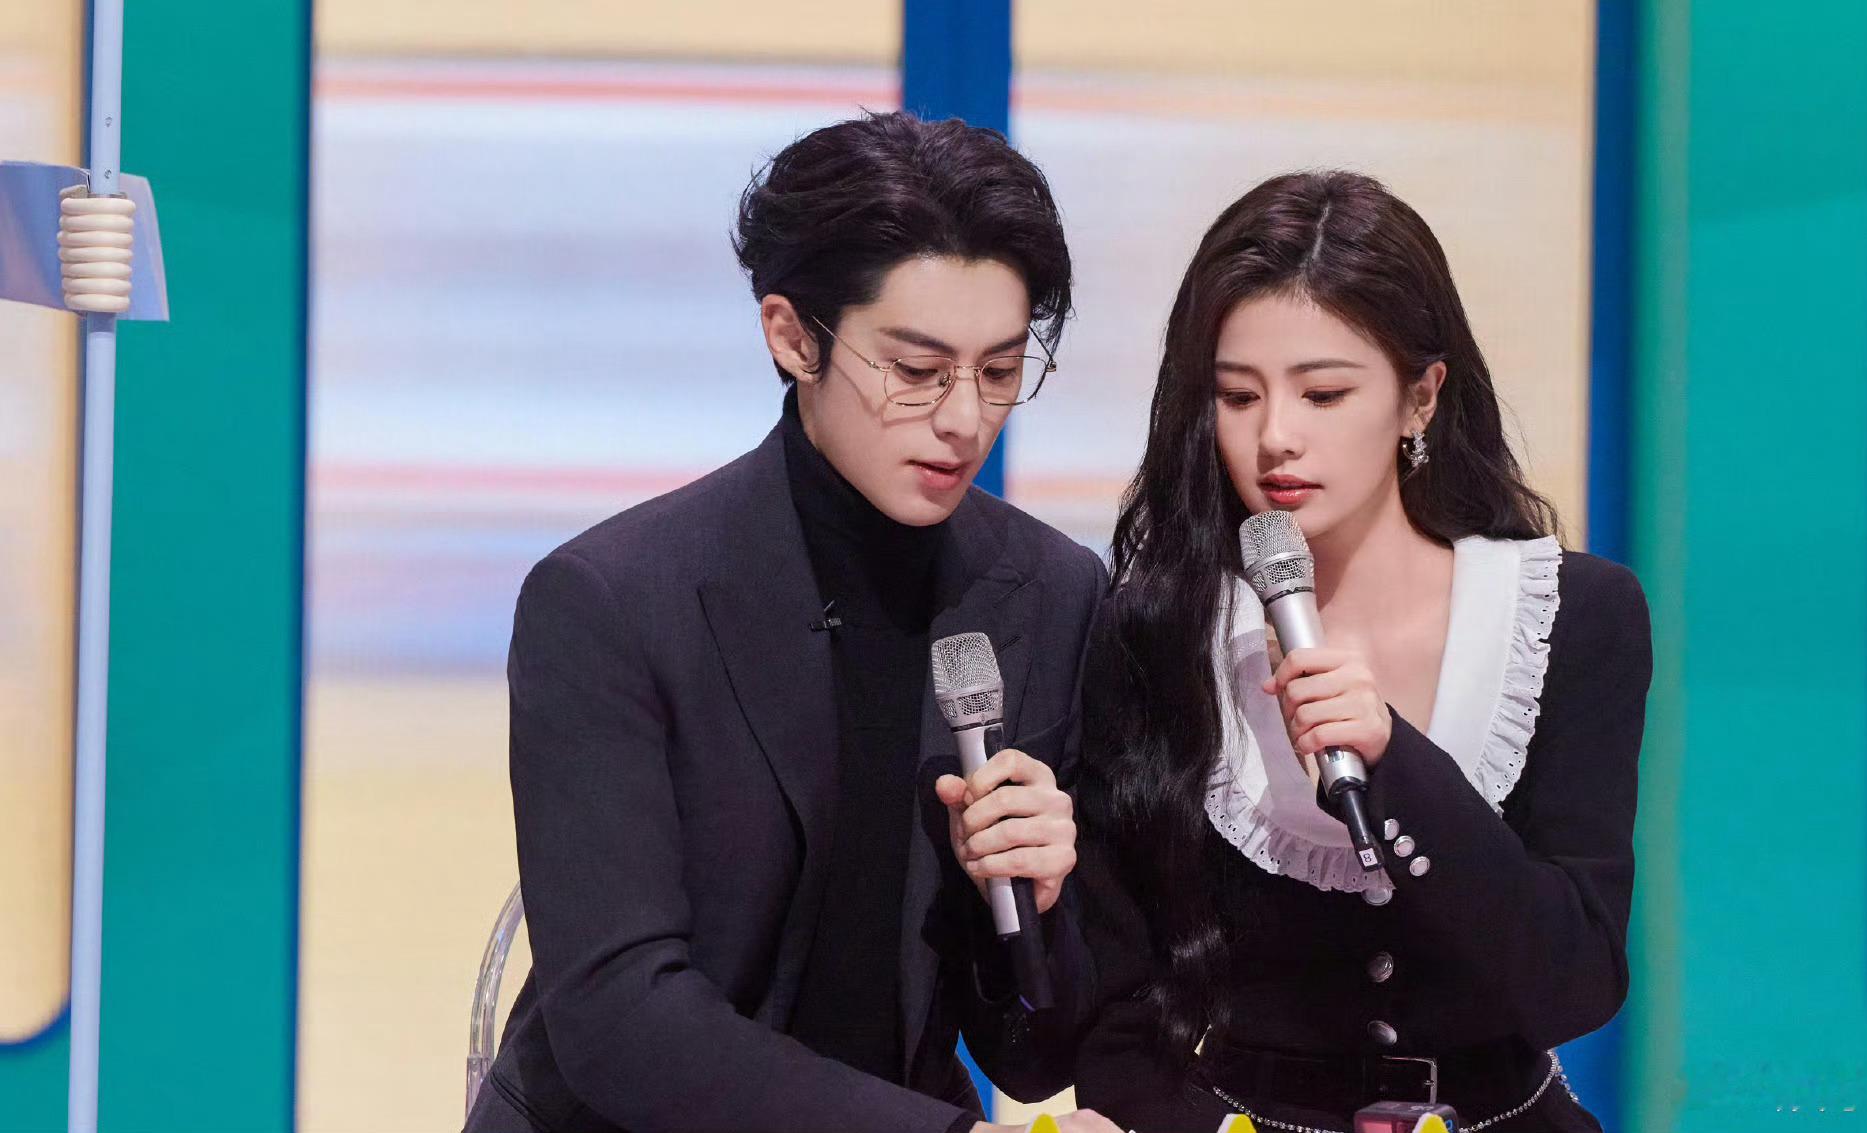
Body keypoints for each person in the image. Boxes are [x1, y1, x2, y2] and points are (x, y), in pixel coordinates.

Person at [465, 111, 1118, 1133]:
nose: (964, 418)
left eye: (998, 371)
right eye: (915, 370)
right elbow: (622, 1023)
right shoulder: (612, 602)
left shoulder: (1048, 589)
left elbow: (1035, 1058)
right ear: (792, 335)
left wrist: (1032, 909)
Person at [1071, 170, 1652, 1133]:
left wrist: (1398, 763)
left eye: (1324, 393)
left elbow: (1575, 983)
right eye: (1237, 396)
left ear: (1421, 397)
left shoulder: (1572, 615)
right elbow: (1117, 1022)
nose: (1276, 438)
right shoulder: (1158, 629)